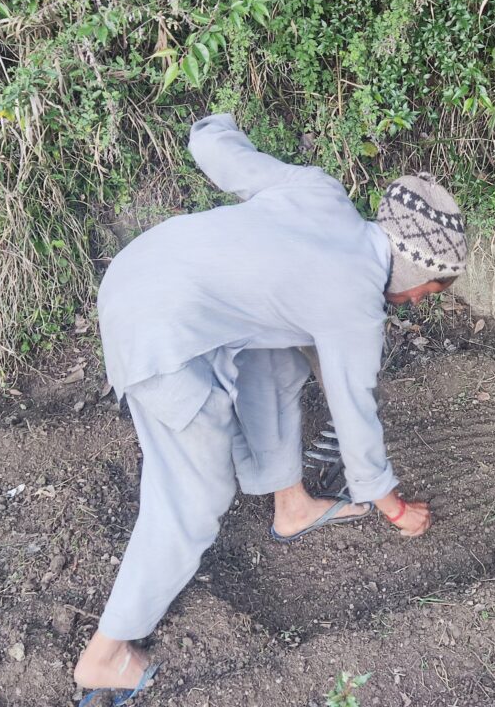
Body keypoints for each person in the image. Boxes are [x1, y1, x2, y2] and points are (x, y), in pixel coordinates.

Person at [73, 114, 468, 701]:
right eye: (432, 291)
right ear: (417, 272)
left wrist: (214, 125)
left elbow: (216, 148)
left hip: (138, 273)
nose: (418, 303)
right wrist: (391, 505)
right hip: (157, 337)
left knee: (278, 358)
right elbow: (356, 413)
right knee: (193, 498)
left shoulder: (320, 192)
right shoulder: (356, 303)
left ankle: (292, 505)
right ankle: (105, 654)